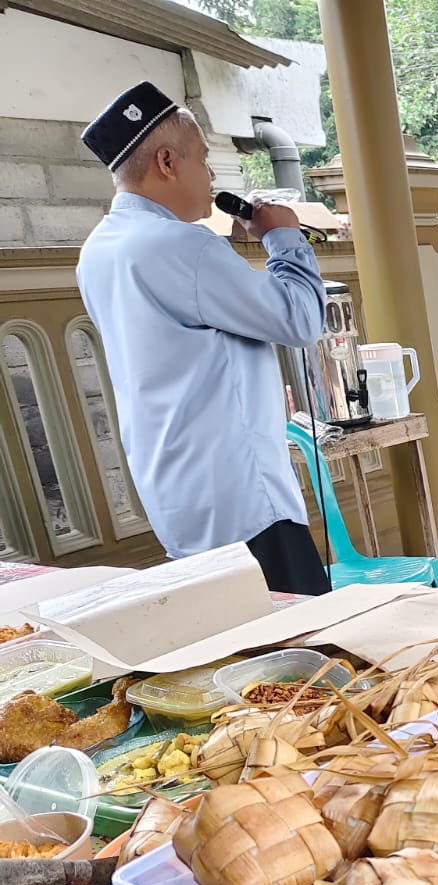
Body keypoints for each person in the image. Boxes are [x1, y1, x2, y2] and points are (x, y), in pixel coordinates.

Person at [75, 82, 331, 594]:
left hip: (176, 493)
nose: (212, 176)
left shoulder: (99, 249)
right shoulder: (183, 247)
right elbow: (301, 321)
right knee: (310, 657)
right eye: (204, 159)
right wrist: (283, 237)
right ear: (167, 161)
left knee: (234, 655)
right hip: (245, 504)